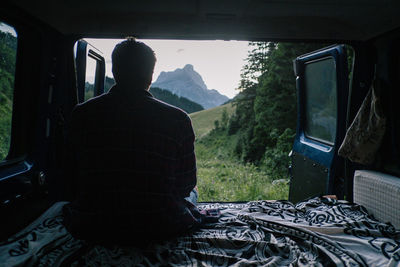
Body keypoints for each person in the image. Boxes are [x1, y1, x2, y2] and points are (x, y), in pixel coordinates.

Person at [62, 39, 201, 244]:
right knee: (194, 194)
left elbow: (69, 177)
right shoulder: (178, 119)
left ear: (115, 71)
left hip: (92, 225)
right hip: (160, 226)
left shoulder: (82, 114)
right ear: (151, 75)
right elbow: (187, 184)